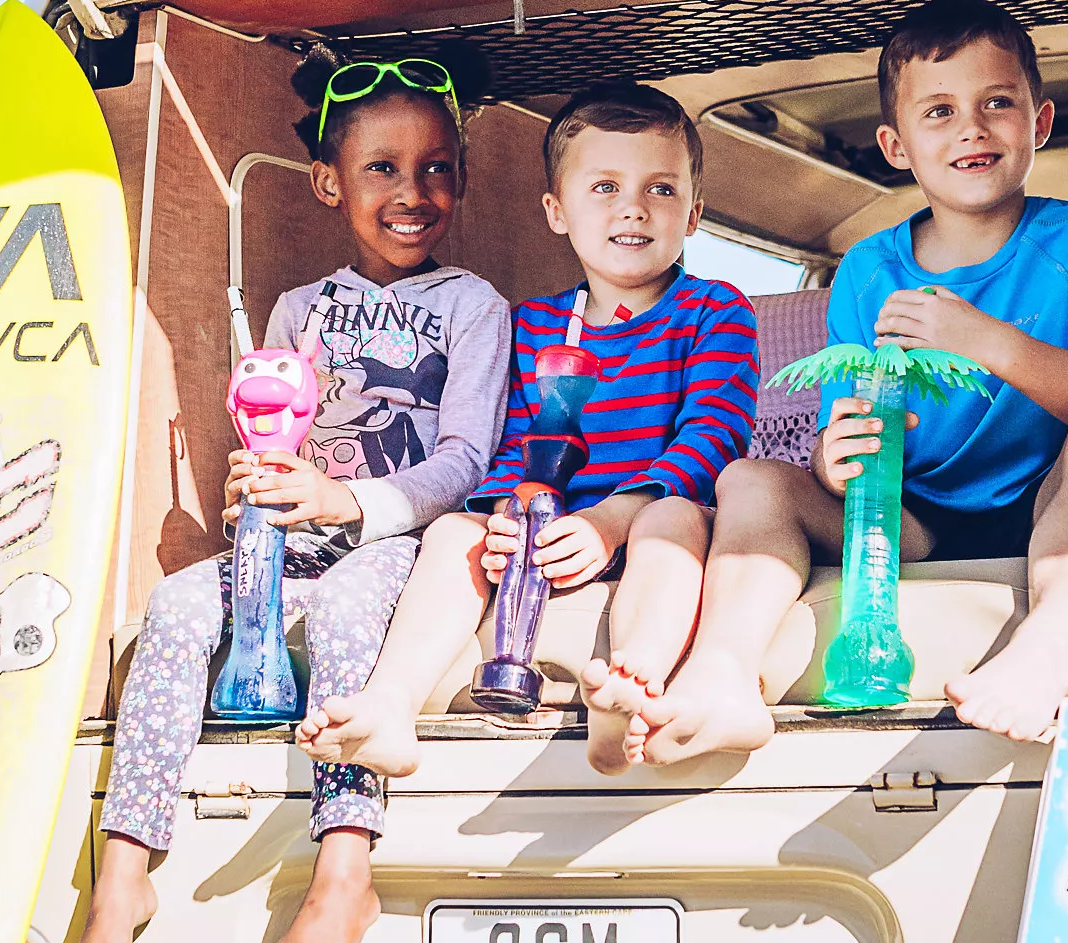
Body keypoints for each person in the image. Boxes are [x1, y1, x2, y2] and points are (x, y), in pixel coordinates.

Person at [638, 0, 1068, 761]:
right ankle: (723, 672)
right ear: (896, 144)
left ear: (1041, 122)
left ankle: (1047, 645)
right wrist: (832, 458)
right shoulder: (868, 270)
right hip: (912, 515)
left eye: (998, 103)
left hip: (1056, 497)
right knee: (750, 479)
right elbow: (844, 423)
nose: (972, 128)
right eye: (940, 111)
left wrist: (983, 339)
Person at [76, 50, 512, 943]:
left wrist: (344, 500)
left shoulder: (475, 306)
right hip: (297, 537)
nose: (413, 192)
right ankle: (121, 877)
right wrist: (259, 484)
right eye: (382, 168)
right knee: (177, 604)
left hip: (399, 544)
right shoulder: (296, 310)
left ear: (462, 179)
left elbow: (466, 460)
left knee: (349, 609)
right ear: (329, 183)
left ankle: (344, 873)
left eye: (435, 168)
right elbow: (278, 438)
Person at [296, 82, 760, 777]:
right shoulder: (537, 324)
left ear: (693, 214)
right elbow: (517, 445)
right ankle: (390, 704)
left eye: (661, 189)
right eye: (605, 187)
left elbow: (713, 437)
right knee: (455, 531)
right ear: (556, 211)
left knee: (671, 520)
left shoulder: (715, 311)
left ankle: (630, 689)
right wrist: (512, 515)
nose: (634, 207)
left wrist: (612, 520)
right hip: (553, 530)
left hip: (656, 517)